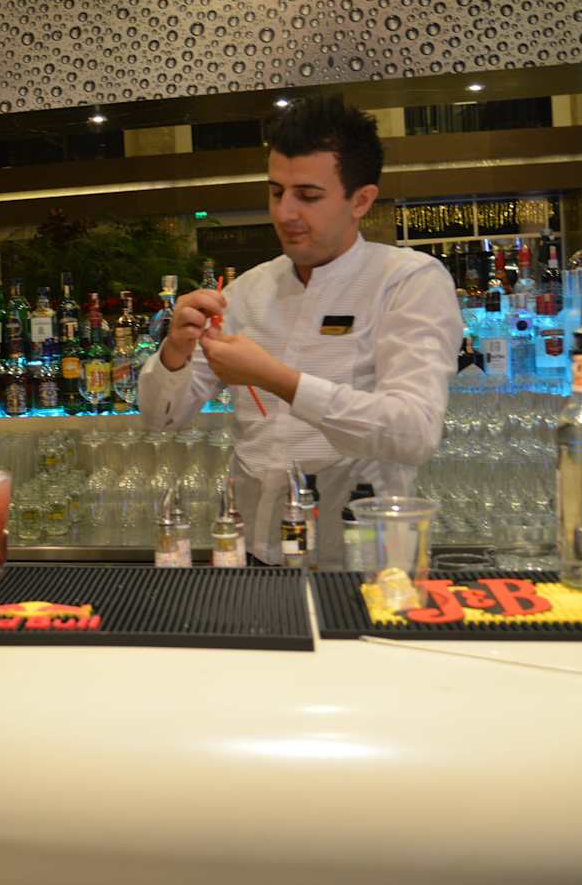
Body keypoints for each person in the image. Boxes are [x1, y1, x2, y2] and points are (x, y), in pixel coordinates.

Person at [138, 96, 463, 565]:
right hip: (252, 552)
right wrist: (175, 351)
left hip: (358, 558)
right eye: (276, 192)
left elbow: (413, 431)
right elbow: (161, 419)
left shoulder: (407, 280)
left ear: (361, 200)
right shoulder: (249, 289)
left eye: (308, 196)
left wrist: (278, 380)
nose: (285, 213)